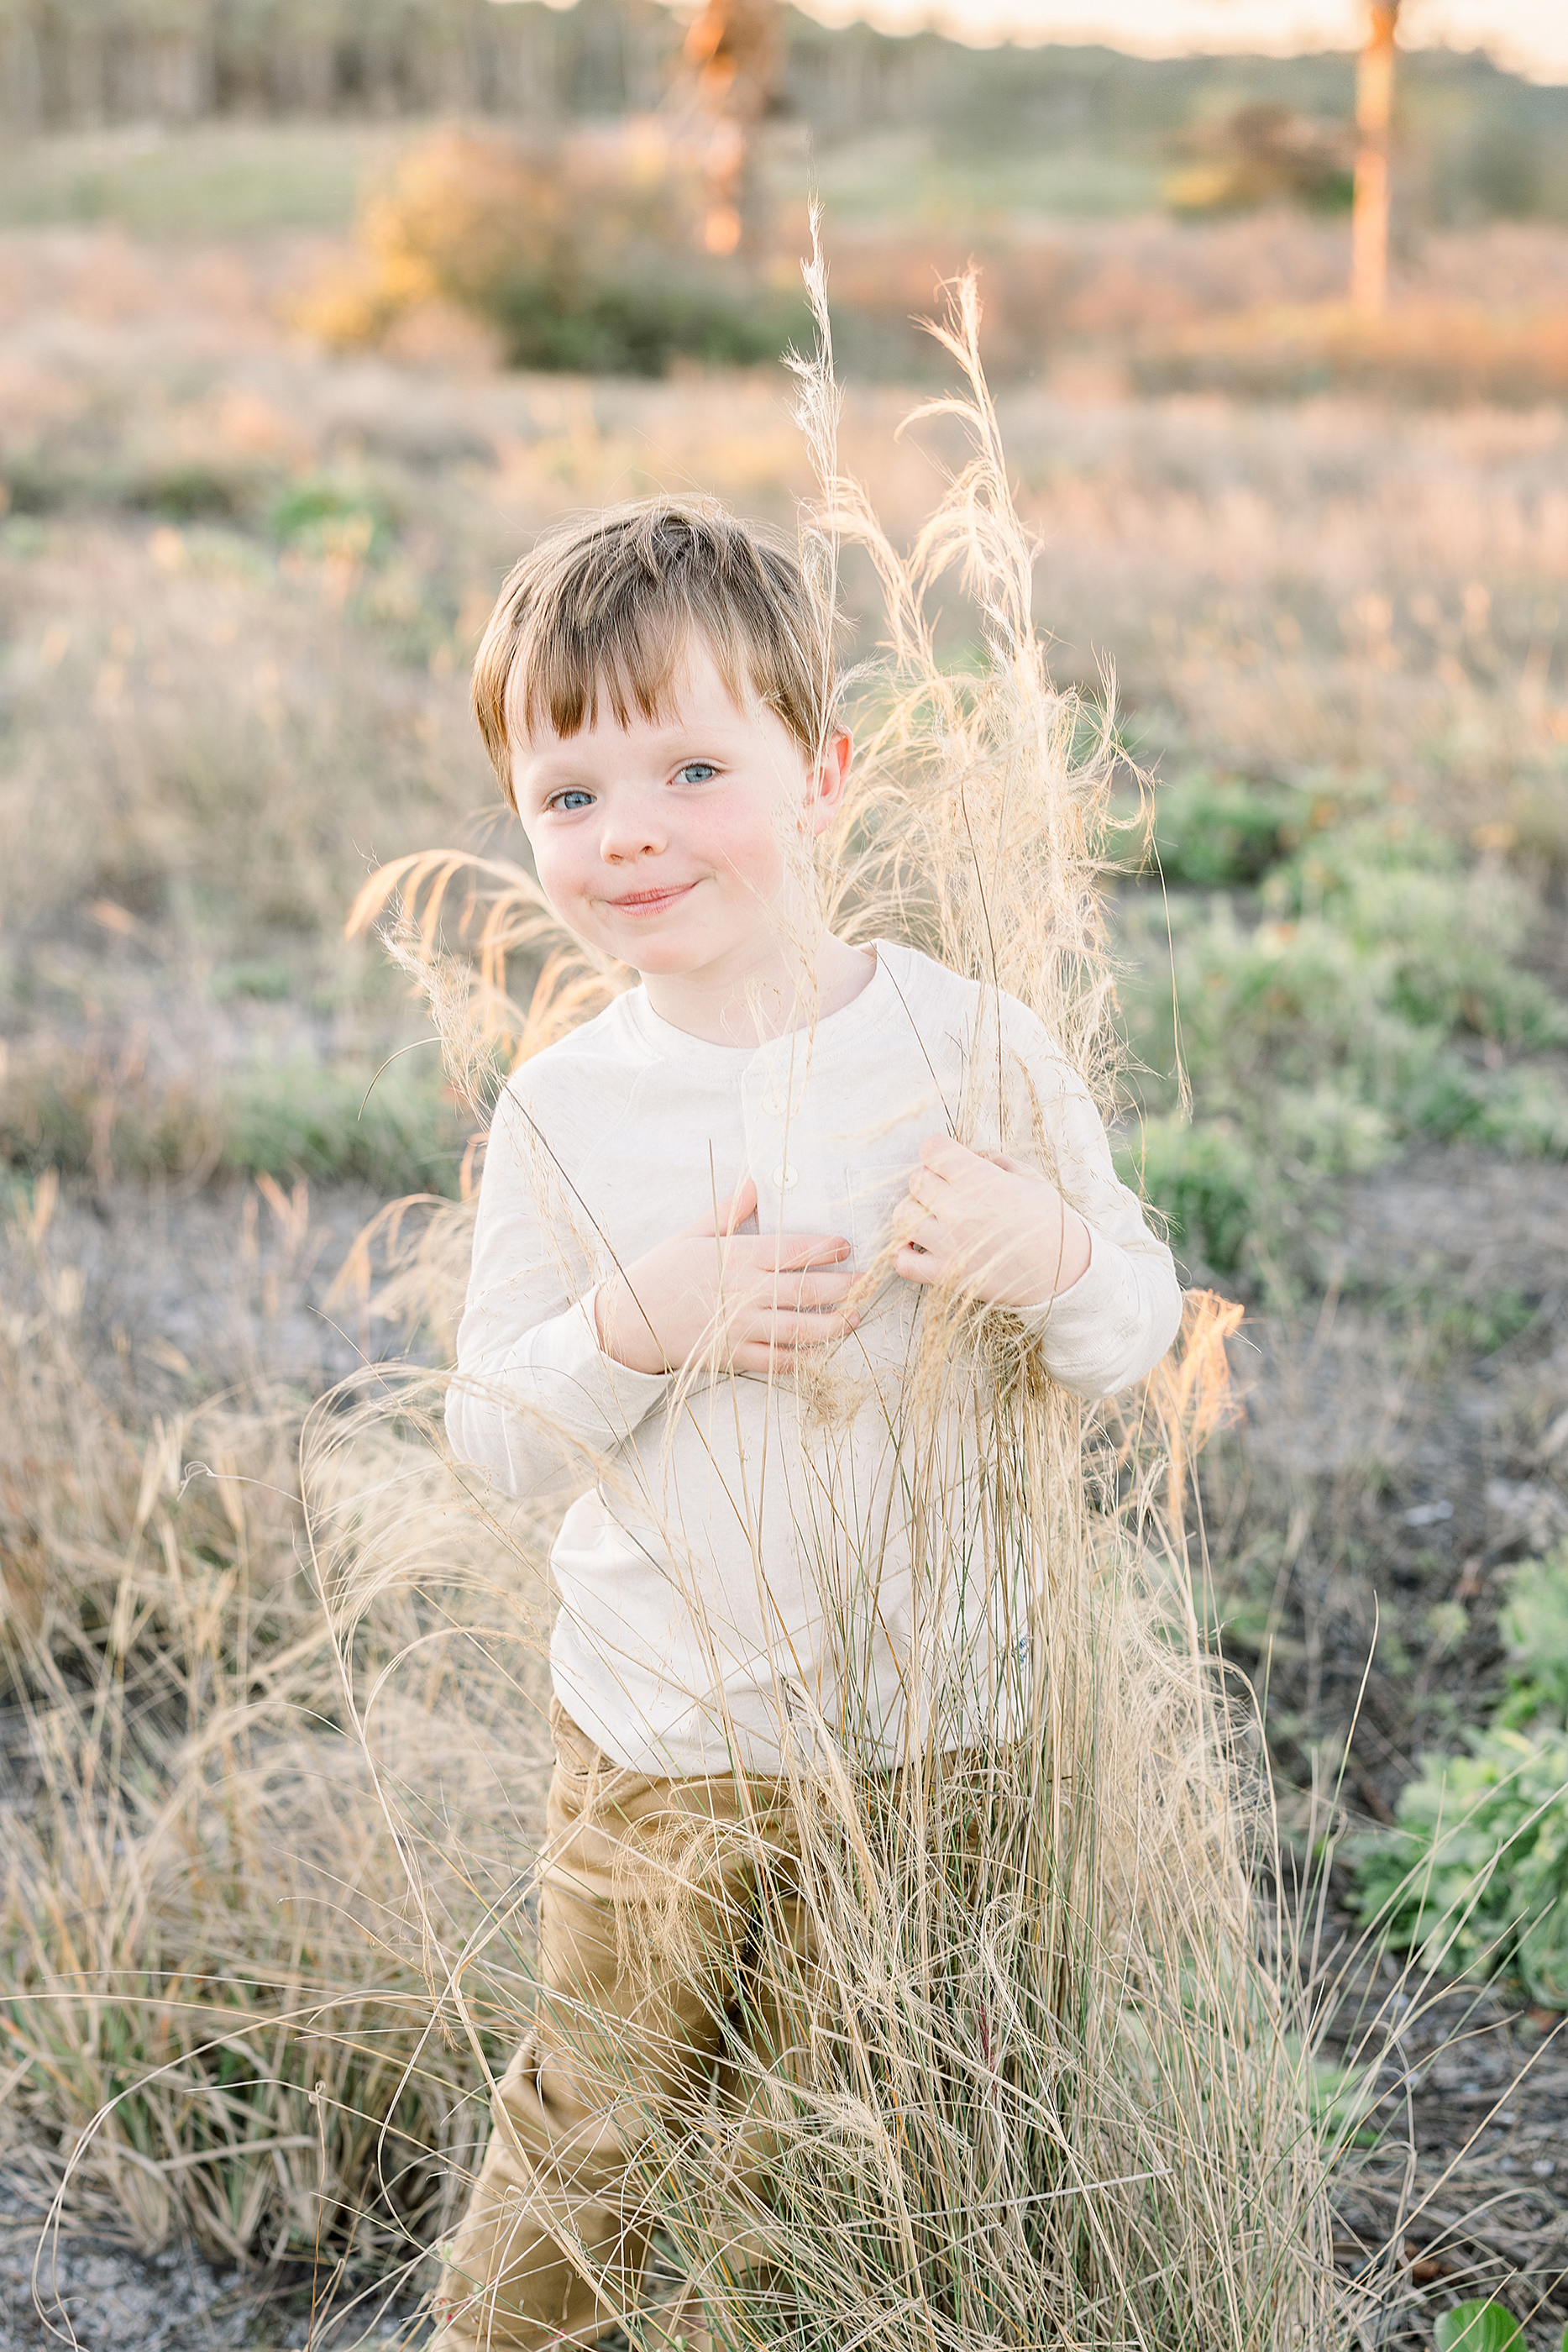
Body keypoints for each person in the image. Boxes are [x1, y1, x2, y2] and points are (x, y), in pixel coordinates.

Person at [430, 498, 1183, 2349]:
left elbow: (1132, 1327)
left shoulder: (967, 1044)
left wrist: (1049, 1245)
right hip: (661, 1742)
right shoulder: (568, 1109)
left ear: (822, 772)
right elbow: (493, 1433)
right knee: (595, 2126)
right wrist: (637, 1321)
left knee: (846, 2148)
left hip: (948, 1733)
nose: (630, 834)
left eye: (693, 765)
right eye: (570, 793)